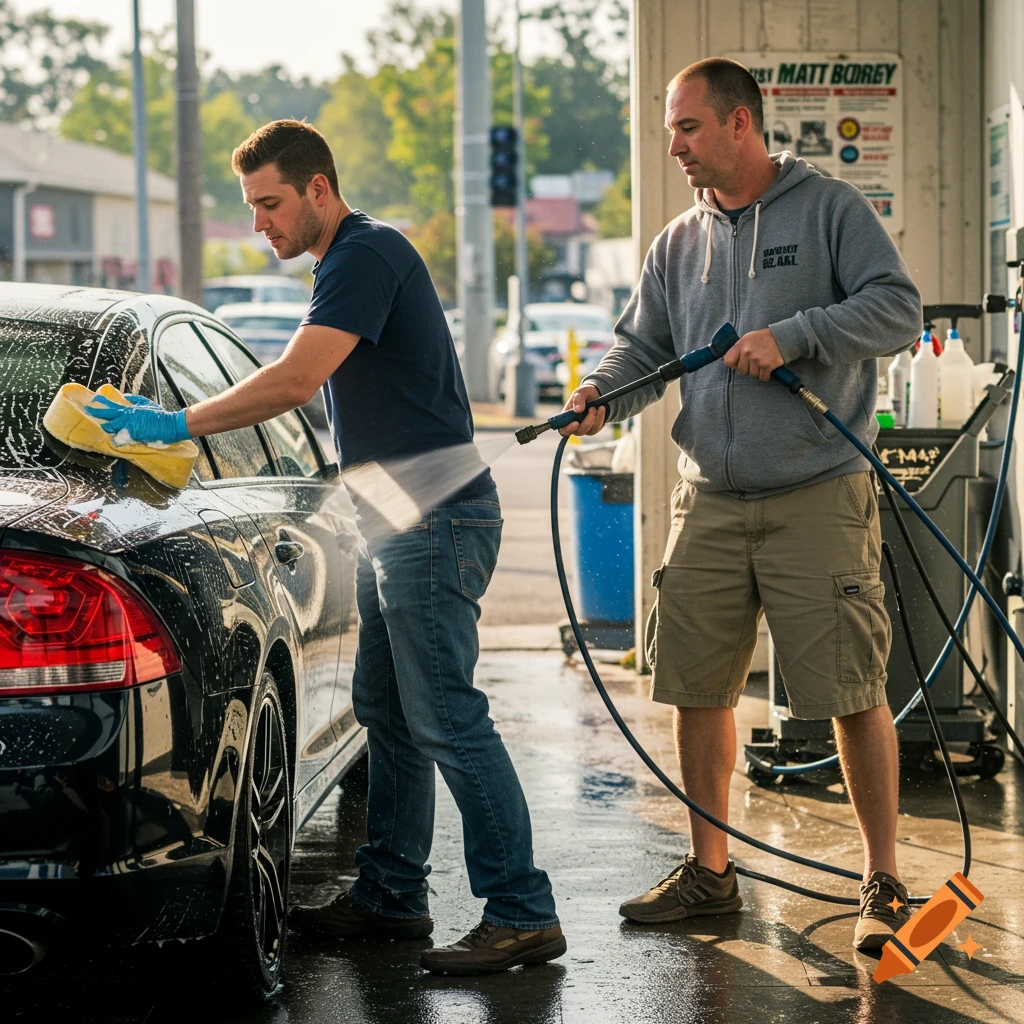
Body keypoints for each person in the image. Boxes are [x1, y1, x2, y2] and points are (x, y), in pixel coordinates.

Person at [88, 119, 565, 976]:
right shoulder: (342, 263)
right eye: (250, 208)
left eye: (269, 203)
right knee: (387, 713)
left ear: (317, 189)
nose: (259, 224)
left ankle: (522, 910)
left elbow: (297, 379)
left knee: (446, 716)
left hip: (437, 518)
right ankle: (391, 895)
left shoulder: (364, 255)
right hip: (396, 515)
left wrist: (177, 422)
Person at [560, 58, 922, 952]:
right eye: (671, 129)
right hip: (710, 496)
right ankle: (711, 875)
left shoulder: (830, 209)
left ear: (740, 125)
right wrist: (602, 394)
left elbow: (898, 311)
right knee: (698, 689)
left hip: (817, 491)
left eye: (688, 128)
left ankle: (884, 879)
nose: (675, 145)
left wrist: (793, 335)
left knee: (849, 689)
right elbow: (641, 347)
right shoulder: (678, 243)